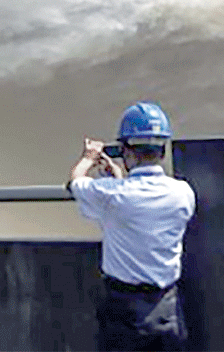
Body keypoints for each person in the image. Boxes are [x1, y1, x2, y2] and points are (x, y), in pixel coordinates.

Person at [67, 102, 196, 352]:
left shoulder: (112, 196)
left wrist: (89, 158)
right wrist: (120, 179)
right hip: (167, 306)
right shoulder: (183, 192)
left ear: (127, 151)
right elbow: (140, 203)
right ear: (162, 149)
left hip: (124, 309)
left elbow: (76, 183)